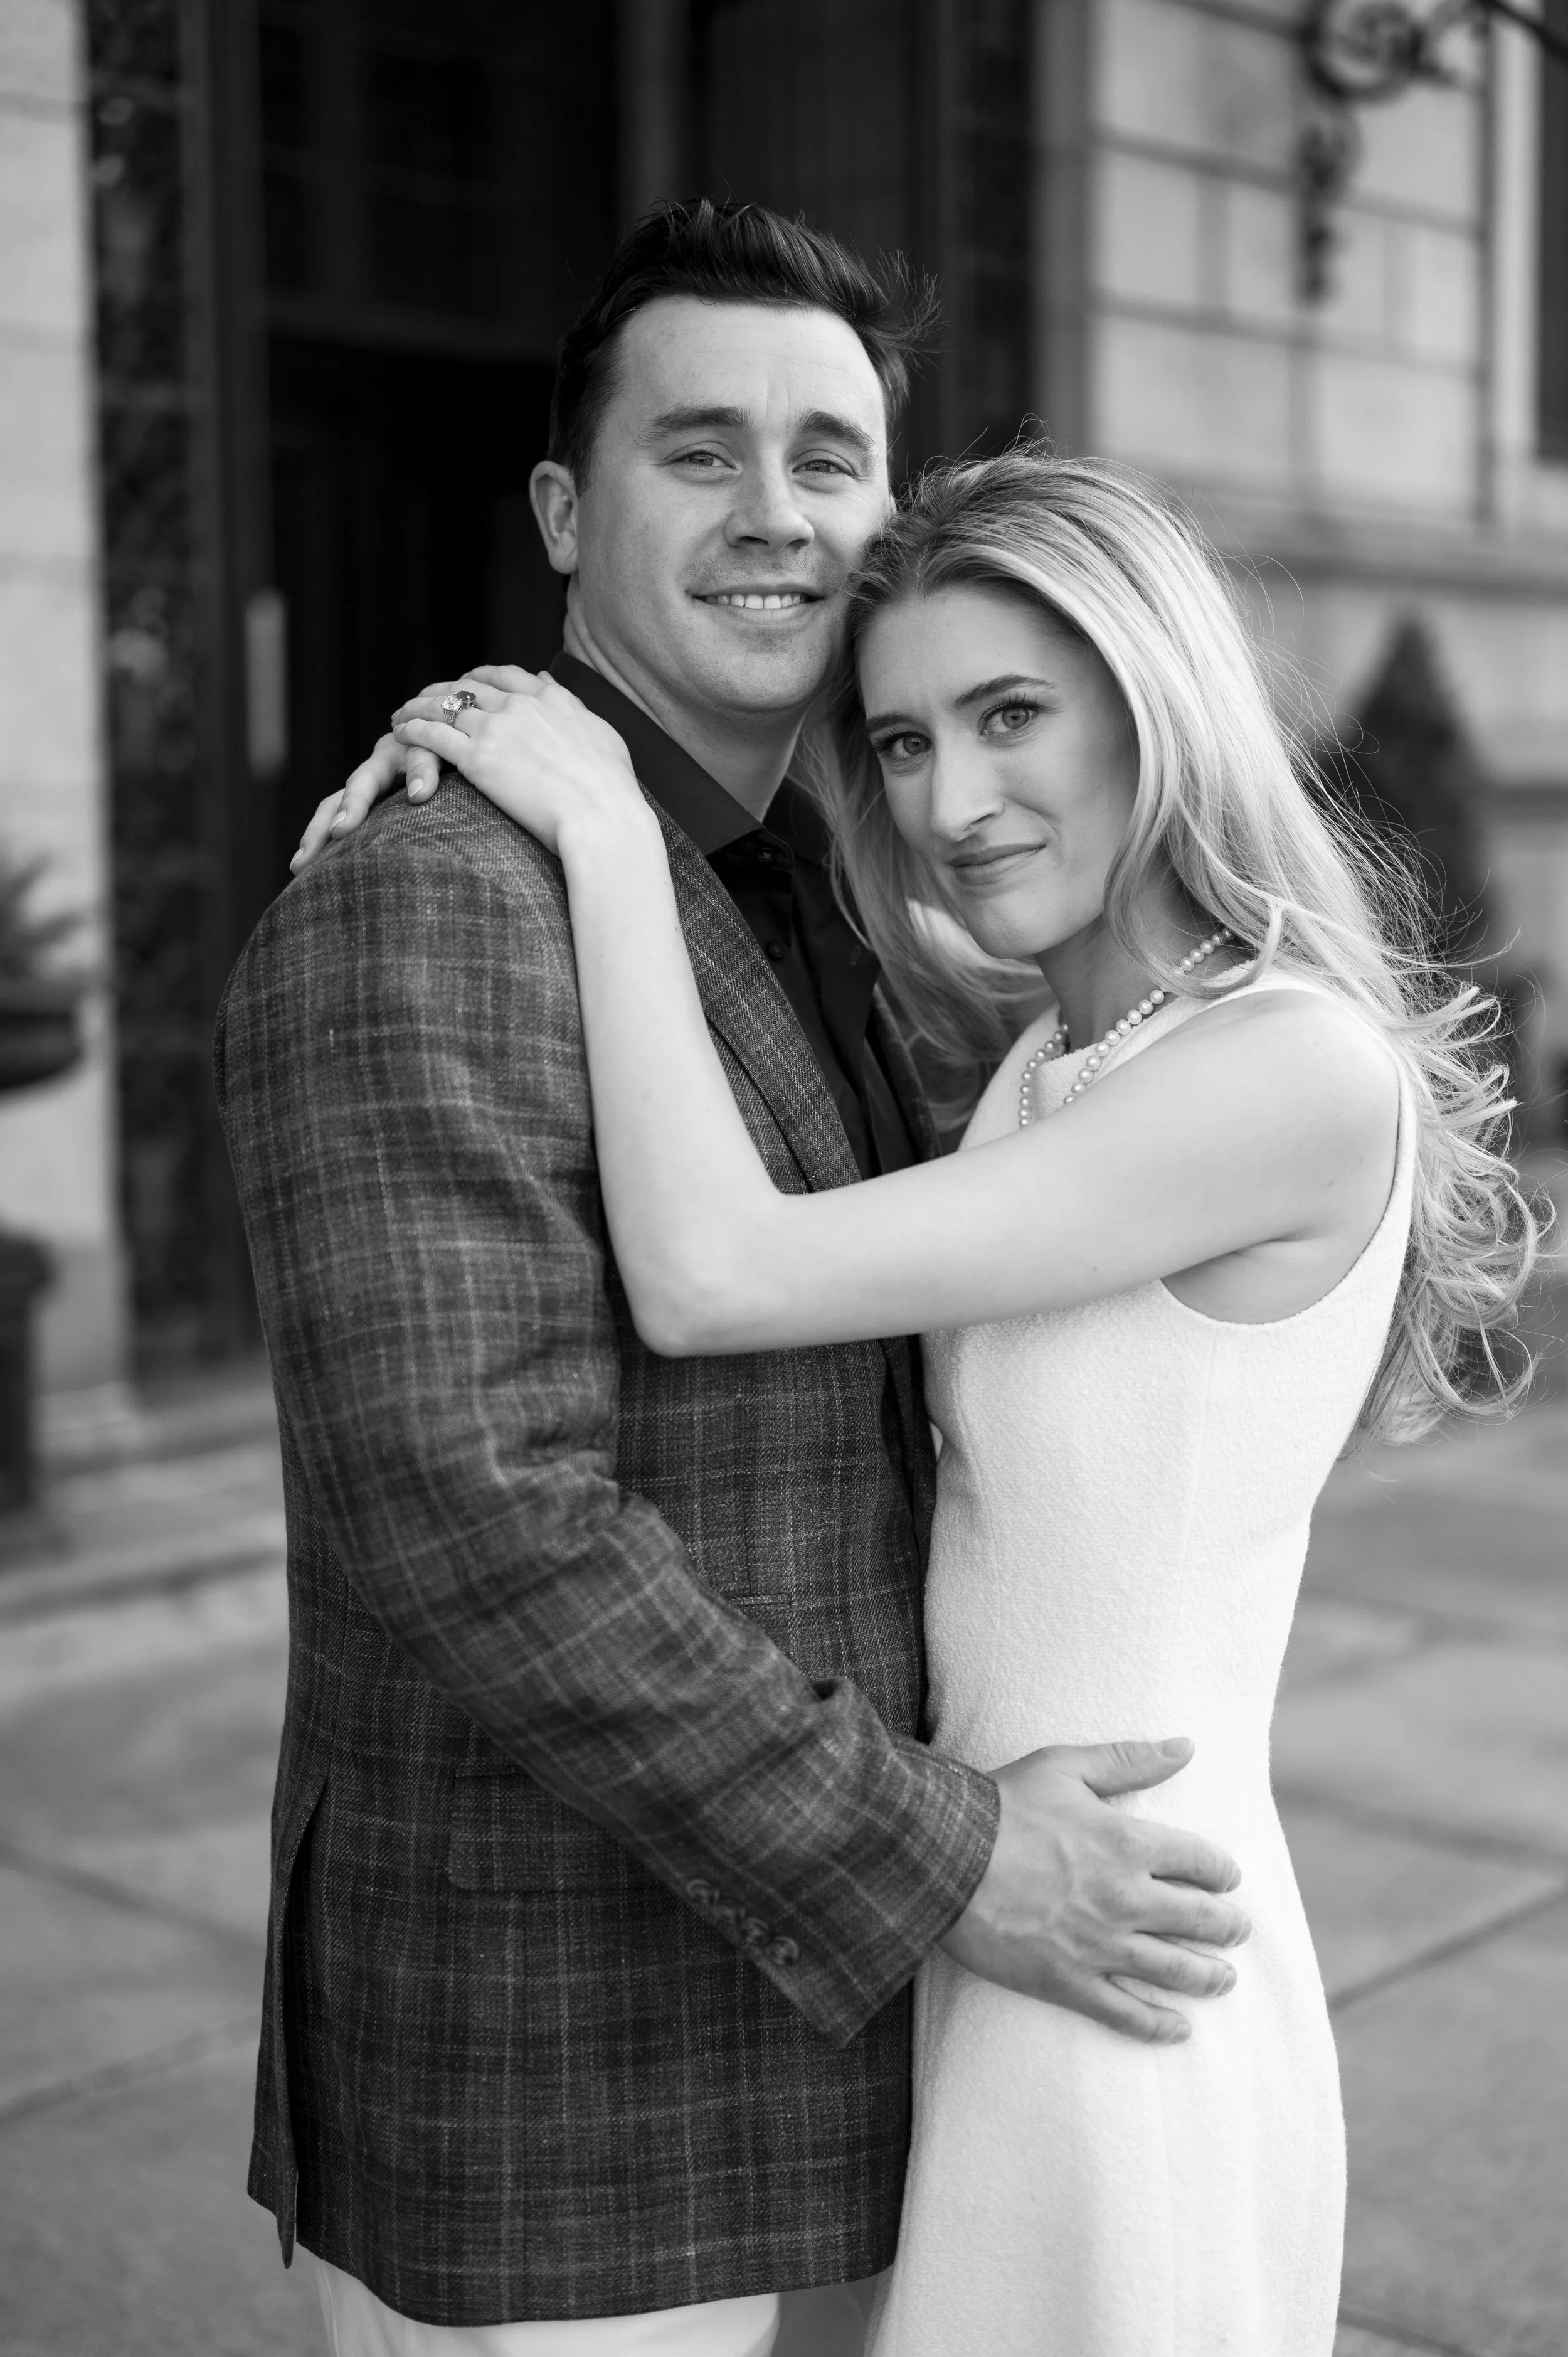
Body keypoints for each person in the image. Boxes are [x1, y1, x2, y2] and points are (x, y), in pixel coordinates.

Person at [332, 450, 1538, 2355]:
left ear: (1152, 700)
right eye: (900, 742)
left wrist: (606, 824)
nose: (952, 802)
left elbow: (714, 1275)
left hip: (1117, 1939)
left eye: (1009, 716)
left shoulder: (1283, 1071)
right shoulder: (1060, 1057)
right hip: (980, 1907)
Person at [224, 203, 1249, 2357]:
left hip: (867, 2050)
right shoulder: (432, 892)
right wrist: (952, 1857)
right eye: (698, 451)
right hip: (557, 2077)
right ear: (559, 513)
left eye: (827, 456)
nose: (775, 511)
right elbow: (480, 1518)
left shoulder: (862, 897)